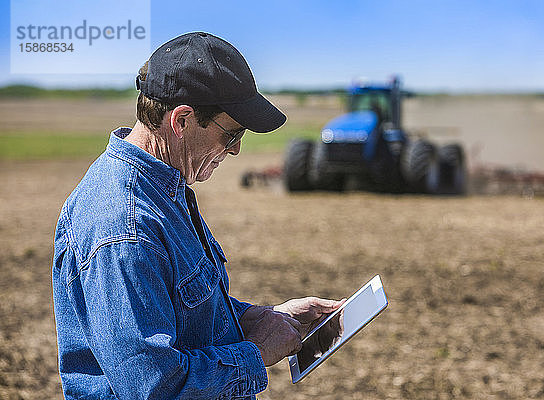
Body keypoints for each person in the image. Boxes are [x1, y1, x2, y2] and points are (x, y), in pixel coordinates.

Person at [52, 32, 342, 400]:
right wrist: (256, 353)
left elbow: (179, 310)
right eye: (231, 133)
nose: (236, 150)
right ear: (182, 120)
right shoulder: (124, 229)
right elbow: (155, 389)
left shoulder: (163, 190)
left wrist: (256, 318)